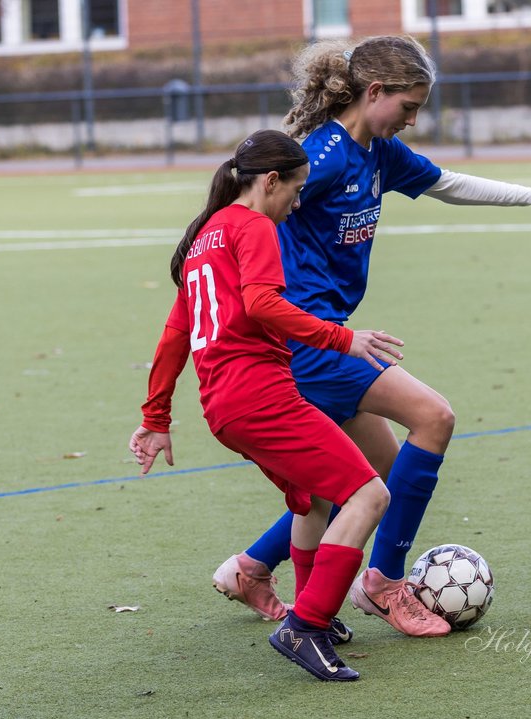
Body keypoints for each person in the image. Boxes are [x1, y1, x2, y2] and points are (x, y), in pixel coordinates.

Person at [209, 35, 531, 638]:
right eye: (409, 105)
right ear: (374, 93)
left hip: (330, 336)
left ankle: (252, 567)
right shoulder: (325, 155)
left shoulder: (380, 153)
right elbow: (251, 209)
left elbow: (449, 183)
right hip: (310, 342)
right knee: (433, 419)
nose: (415, 119)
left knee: (370, 482)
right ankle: (383, 584)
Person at [129, 129, 410, 682]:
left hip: (224, 408)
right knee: (371, 494)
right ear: (271, 181)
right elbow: (262, 302)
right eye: (297, 189)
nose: (298, 203)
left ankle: (314, 614)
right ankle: (305, 626)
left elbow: (172, 336)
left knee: (312, 501)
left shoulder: (204, 236)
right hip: (261, 396)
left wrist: (155, 419)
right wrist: (341, 338)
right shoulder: (253, 225)